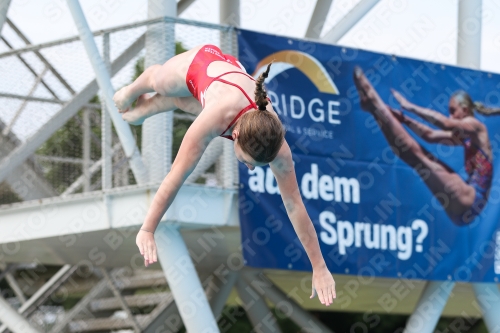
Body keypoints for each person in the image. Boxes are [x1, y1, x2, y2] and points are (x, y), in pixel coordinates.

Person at [113, 44, 336, 306]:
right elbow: (176, 175)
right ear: (236, 136)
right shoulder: (216, 118)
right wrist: (147, 228)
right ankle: (130, 94)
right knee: (161, 83)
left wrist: (319, 267)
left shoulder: (279, 147)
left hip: (227, 85)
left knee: (182, 102)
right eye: (247, 161)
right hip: (200, 65)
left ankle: (143, 111)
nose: (250, 168)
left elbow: (294, 205)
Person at [353, 67, 494, 226]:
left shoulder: (476, 126)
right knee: (412, 157)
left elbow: (445, 123)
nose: (451, 116)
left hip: (470, 199)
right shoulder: (465, 137)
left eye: (453, 111)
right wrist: (405, 120)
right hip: (461, 212)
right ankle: (375, 109)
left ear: (465, 110)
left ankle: (374, 101)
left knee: (418, 156)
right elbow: (430, 135)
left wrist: (409, 106)